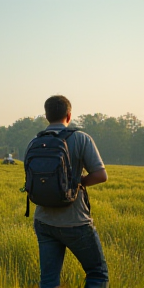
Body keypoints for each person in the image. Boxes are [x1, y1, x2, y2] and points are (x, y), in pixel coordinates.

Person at [31, 95, 109, 288]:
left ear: (47, 116)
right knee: (97, 274)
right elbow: (101, 175)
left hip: (43, 220)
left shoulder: (35, 141)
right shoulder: (81, 138)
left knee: (48, 280)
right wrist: (77, 182)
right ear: (69, 115)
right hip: (76, 221)